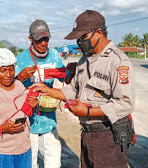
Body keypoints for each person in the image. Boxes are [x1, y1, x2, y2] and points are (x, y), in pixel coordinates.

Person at [31, 10, 135, 168]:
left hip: (108, 136)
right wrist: (47, 90)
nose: (79, 42)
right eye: (78, 38)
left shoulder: (118, 62)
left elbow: (125, 103)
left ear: (98, 32)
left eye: (83, 37)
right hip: (87, 134)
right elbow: (72, 90)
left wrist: (87, 112)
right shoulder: (84, 60)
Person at [15, 19, 76, 168]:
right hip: (28, 122)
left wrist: (71, 73)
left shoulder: (54, 55)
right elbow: (9, 88)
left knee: (53, 163)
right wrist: (20, 77)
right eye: (39, 39)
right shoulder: (21, 59)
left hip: (49, 120)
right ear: (30, 39)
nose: (43, 43)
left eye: (46, 39)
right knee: (29, 163)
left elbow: (65, 79)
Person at [0, 48, 38, 168]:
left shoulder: (19, 85)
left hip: (24, 150)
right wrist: (2, 128)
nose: (8, 75)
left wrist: (32, 107)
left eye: (11, 69)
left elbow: (25, 112)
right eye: (3, 71)